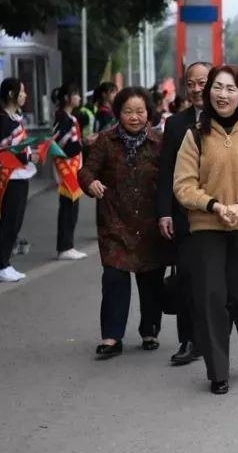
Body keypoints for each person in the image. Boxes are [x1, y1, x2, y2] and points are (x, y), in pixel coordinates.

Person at [173, 65, 238, 395]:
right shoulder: (195, 135)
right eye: (217, 88)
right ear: (208, 94)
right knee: (211, 298)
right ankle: (218, 371)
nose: (223, 94)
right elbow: (183, 184)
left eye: (230, 88)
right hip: (207, 226)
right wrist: (215, 206)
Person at [78, 87, 169, 359]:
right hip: (115, 222)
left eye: (140, 111)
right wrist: (91, 183)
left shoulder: (159, 142)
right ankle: (111, 336)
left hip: (150, 223)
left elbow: (172, 177)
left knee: (151, 279)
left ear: (148, 113)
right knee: (114, 278)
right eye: (128, 111)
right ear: (118, 113)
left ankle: (150, 330)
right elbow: (86, 171)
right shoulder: (106, 141)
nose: (134, 117)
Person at [156, 61, 210, 366]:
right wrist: (164, 212)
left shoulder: (234, 120)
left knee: (217, 283)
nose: (196, 89)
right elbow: (166, 171)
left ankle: (218, 336)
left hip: (223, 216)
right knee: (187, 278)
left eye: (203, 82)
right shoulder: (176, 124)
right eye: (191, 84)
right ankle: (189, 340)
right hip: (185, 216)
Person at [0, 78, 38, 281]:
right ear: (11, 94)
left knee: (15, 221)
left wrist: (30, 154)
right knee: (8, 220)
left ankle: (5, 263)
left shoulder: (15, 117)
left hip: (21, 174)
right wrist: (28, 157)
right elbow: (2, 152)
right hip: (10, 176)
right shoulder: (3, 119)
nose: (25, 95)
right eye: (22, 91)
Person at [50, 84, 88, 261]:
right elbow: (63, 146)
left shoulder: (70, 118)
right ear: (66, 98)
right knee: (67, 209)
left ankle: (68, 245)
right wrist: (84, 143)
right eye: (76, 94)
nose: (79, 98)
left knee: (72, 209)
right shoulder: (62, 119)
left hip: (73, 168)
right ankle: (64, 246)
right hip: (66, 170)